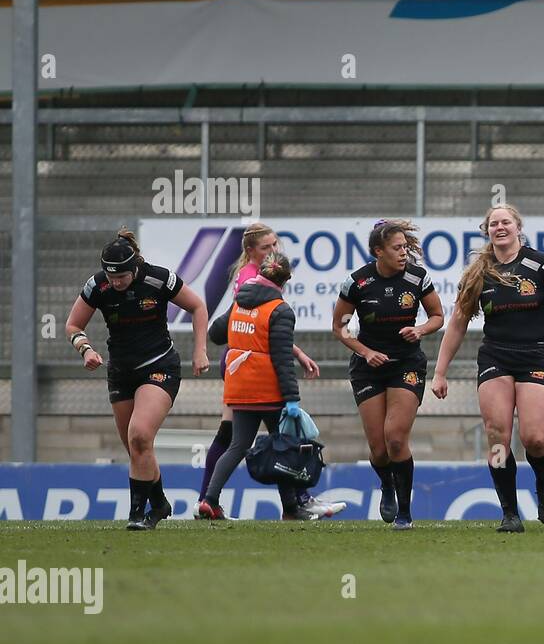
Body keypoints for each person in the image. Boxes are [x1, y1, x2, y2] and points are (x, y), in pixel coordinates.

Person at [432, 205, 544, 533]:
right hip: (496, 358)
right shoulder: (479, 271)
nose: (499, 227)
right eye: (493, 224)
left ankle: (543, 485)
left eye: (505, 222)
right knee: (497, 436)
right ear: (487, 230)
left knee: (533, 437)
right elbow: (458, 324)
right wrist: (440, 371)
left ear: (518, 227)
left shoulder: (543, 264)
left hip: (537, 357)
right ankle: (509, 513)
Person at [65, 229, 210, 529]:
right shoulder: (98, 286)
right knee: (136, 450)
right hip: (120, 371)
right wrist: (85, 349)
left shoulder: (158, 278)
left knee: (140, 435)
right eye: (111, 277)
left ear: (135, 268)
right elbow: (72, 325)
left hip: (159, 365)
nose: (116, 282)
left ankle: (137, 515)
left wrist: (200, 351)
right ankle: (159, 503)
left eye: (122, 277)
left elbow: (197, 306)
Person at [195, 222, 341, 520]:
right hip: (267, 388)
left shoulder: (240, 301)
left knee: (236, 446)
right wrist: (292, 400)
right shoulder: (279, 309)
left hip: (239, 386)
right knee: (286, 445)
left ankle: (209, 500)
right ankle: (293, 507)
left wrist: (243, 337)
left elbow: (216, 332)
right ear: (285, 280)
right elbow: (281, 358)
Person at [333, 219, 445, 529]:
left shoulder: (417, 278)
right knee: (379, 449)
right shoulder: (356, 283)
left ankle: (405, 513)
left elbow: (437, 316)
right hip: (369, 368)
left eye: (406, 248)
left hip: (406, 365)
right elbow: (339, 327)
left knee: (396, 438)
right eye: (397, 249)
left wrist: (420, 329)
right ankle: (386, 484)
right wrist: (365, 352)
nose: (404, 254)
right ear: (377, 251)